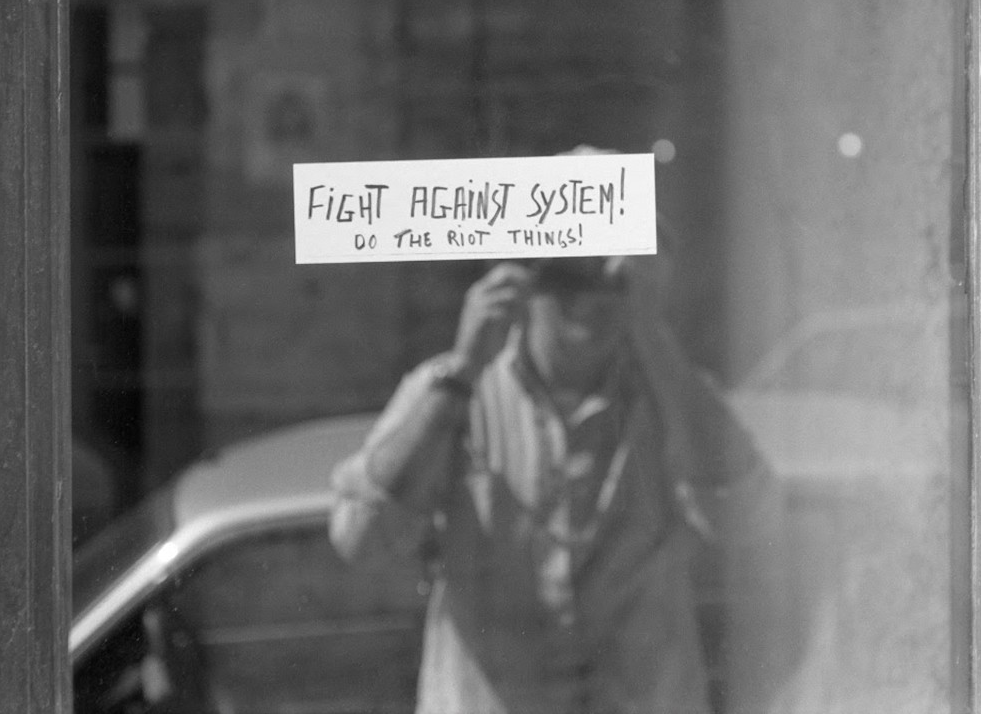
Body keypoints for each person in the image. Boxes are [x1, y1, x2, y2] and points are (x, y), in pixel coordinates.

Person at [330, 246, 779, 714]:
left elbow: (750, 522)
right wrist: (462, 371)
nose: (591, 297)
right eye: (567, 274)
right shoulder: (451, 387)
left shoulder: (670, 392)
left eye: (612, 277)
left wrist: (654, 335)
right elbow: (360, 537)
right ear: (519, 279)